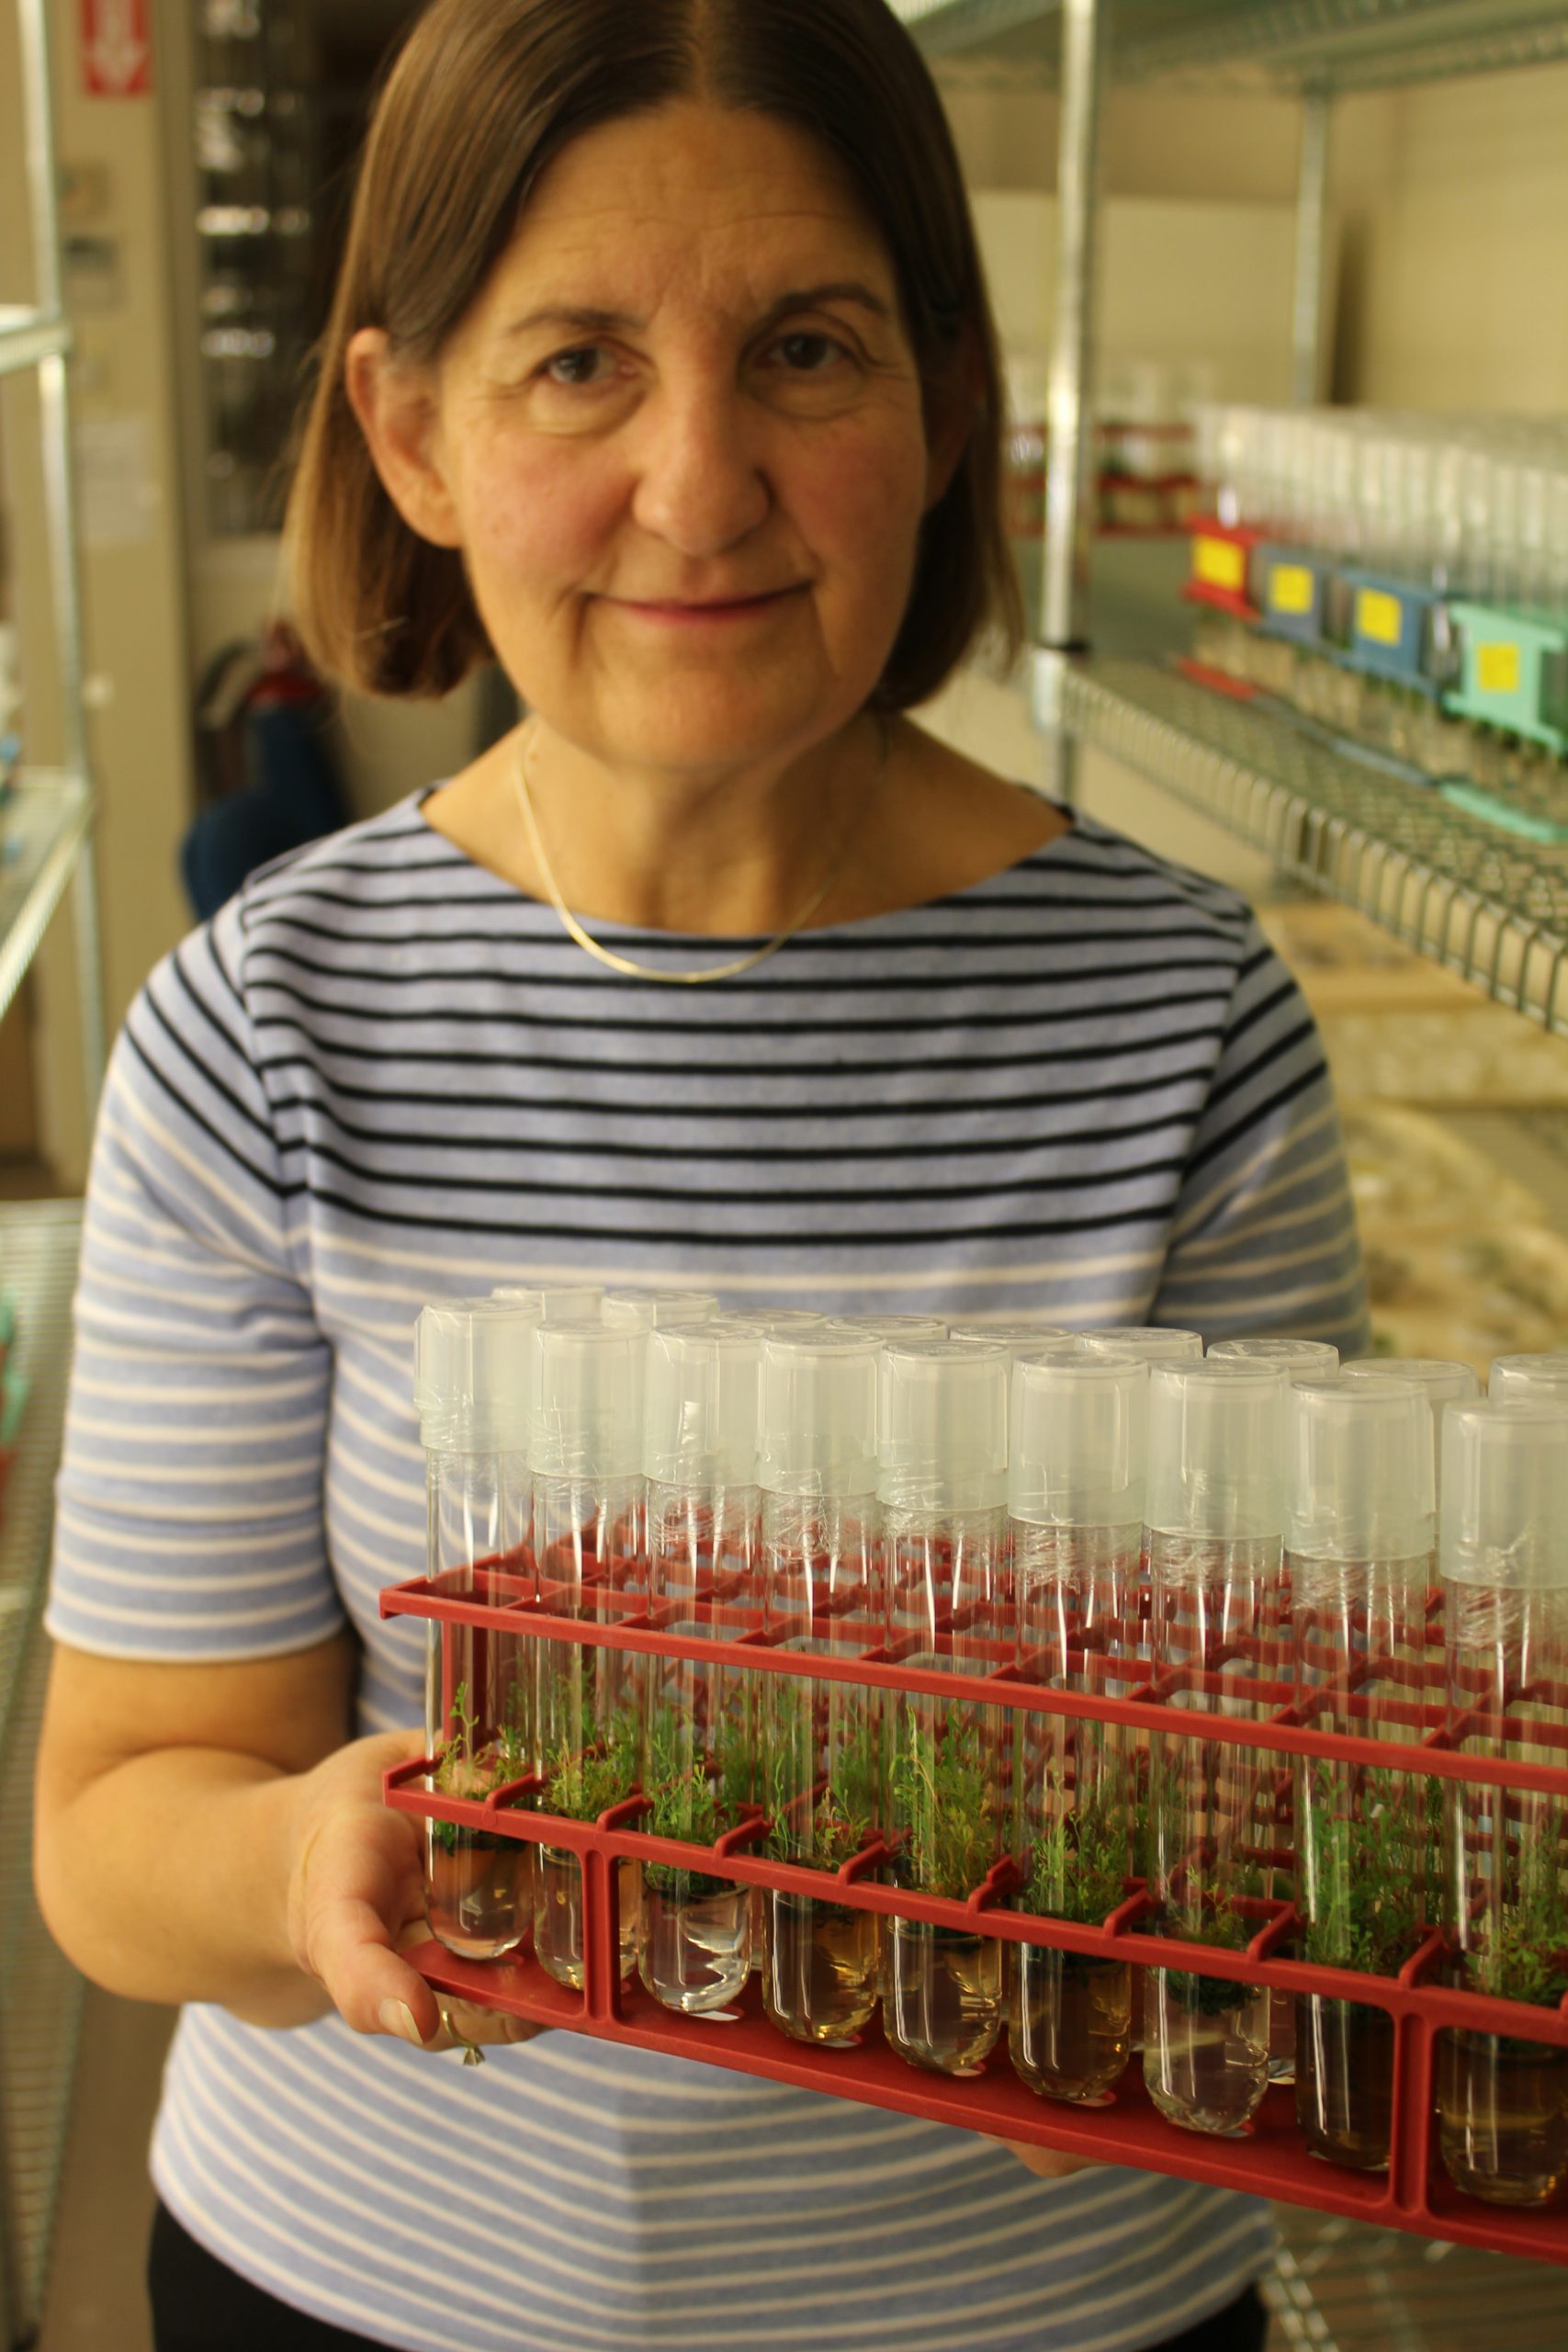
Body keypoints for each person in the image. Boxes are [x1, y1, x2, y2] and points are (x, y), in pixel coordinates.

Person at [36, 5, 1366, 2348]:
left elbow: (1274, 1802)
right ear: (409, 429)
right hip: (376, 2286)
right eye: (573, 365)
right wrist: (303, 1850)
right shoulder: (272, 1027)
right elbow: (119, 1825)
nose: (698, 479)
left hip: (1047, 2308)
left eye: (804, 350)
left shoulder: (1180, 1024)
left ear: (944, 406)